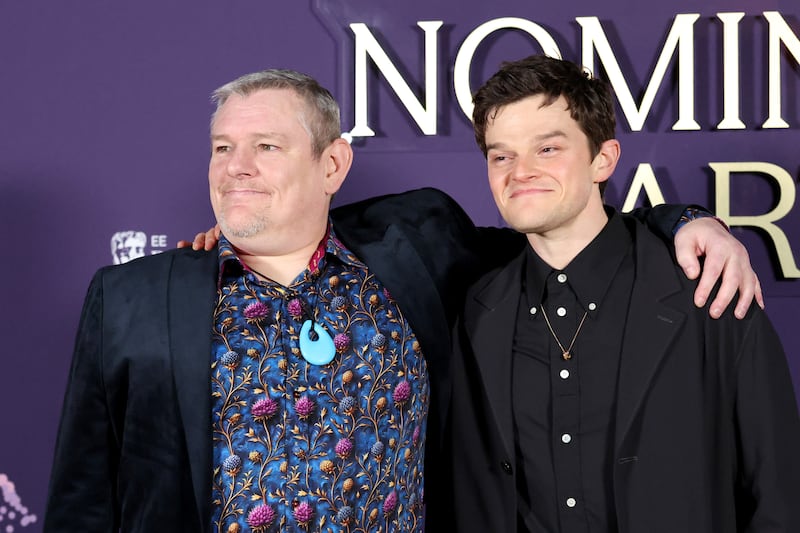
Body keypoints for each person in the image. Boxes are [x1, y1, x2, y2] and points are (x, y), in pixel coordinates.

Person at [45, 68, 759, 533]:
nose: (236, 167)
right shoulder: (134, 297)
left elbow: (563, 229)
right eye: (222, 147)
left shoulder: (417, 244)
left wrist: (686, 221)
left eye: (265, 145)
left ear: (332, 164)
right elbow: (82, 499)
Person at [450, 54, 800, 533]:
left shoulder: (709, 288)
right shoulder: (477, 310)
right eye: (501, 155)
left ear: (603, 159)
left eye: (547, 149)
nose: (520, 172)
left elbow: (781, 493)